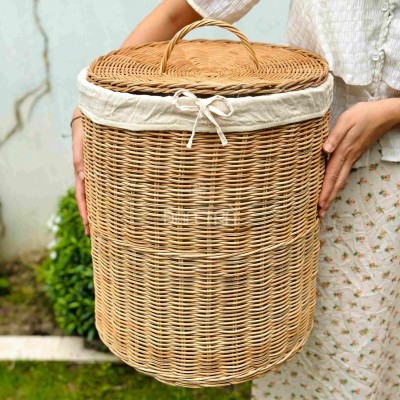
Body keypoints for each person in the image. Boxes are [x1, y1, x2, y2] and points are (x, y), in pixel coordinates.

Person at [71, 1, 400, 398]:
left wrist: (389, 111)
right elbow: (182, 12)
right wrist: (88, 111)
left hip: (388, 181)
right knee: (295, 340)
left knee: (369, 347)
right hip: (293, 166)